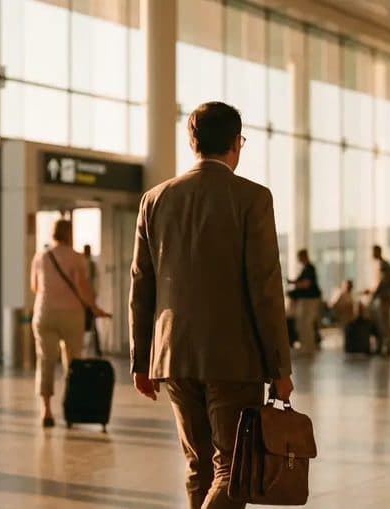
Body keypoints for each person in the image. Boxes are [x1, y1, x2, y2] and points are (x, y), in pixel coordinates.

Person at [130, 101, 293, 509]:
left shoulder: (155, 199)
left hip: (174, 355)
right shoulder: (252, 198)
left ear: (192, 142)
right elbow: (265, 287)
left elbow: (141, 283)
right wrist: (279, 367)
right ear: (237, 143)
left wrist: (140, 359)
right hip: (234, 356)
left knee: (199, 467)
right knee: (231, 472)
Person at [30, 219, 109, 428]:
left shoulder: (41, 256)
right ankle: (71, 408)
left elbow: (34, 286)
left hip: (44, 313)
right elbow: (83, 287)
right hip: (71, 315)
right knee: (73, 363)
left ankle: (46, 410)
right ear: (69, 234)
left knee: (45, 361)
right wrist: (94, 308)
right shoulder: (76, 258)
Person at [287, 249, 322, 354]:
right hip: (306, 300)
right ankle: (306, 346)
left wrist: (295, 284)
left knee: (306, 323)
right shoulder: (306, 269)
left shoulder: (309, 269)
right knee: (302, 323)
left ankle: (308, 347)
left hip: (310, 300)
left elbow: (306, 284)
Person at [367, 245, 390, 351]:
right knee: (380, 323)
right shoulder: (379, 265)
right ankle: (382, 344)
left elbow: (383, 281)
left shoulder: (383, 265)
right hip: (381, 297)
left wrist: (374, 292)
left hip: (384, 297)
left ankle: (387, 345)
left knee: (384, 323)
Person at [81, 244, 103, 357]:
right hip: (88, 299)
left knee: (89, 324)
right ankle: (96, 349)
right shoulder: (89, 265)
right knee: (91, 324)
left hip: (84, 300)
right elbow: (96, 283)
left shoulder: (87, 264)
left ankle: (94, 349)